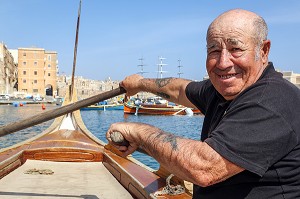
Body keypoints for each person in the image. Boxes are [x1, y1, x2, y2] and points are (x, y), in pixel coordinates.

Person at [106, 9, 300, 198]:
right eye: (214, 50)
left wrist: (138, 133)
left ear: (263, 51)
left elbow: (204, 168)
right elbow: (180, 89)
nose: (223, 62)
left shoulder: (270, 101)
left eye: (236, 49)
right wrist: (139, 84)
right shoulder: (223, 90)